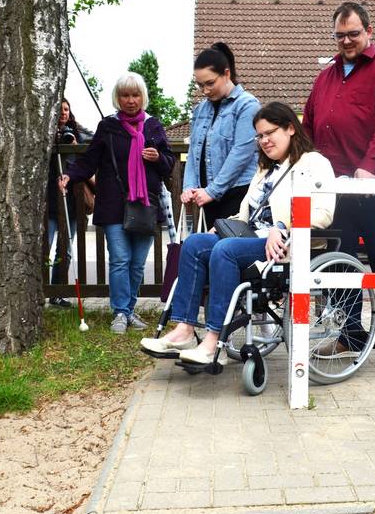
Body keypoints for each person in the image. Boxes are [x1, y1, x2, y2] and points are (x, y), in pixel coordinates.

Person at [141, 102, 336, 365]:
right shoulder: (265, 168)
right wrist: (221, 225)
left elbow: (323, 213)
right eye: (260, 135)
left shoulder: (315, 163)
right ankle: (184, 330)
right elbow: (246, 216)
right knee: (195, 243)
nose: (264, 140)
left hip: (285, 245)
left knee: (225, 250)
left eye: (270, 133)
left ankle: (212, 341)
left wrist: (283, 228)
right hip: (252, 238)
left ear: (291, 128)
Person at [302, 1, 375, 370]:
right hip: (333, 189)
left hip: (373, 185)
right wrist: (301, 167)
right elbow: (309, 125)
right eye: (340, 36)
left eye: (354, 34)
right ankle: (350, 335)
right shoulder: (325, 76)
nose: (347, 41)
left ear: (369, 31)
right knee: (341, 262)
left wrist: (370, 167)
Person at [59, 73, 175, 334]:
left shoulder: (153, 126)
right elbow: (90, 160)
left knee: (136, 262)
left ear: (142, 97)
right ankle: (120, 313)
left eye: (135, 95)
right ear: (117, 98)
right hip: (113, 203)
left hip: (145, 205)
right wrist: (70, 175)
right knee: (120, 259)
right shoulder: (108, 127)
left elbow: (169, 164)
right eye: (125, 95)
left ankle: (130, 310)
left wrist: (157, 157)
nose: (131, 100)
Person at [182, 42, 261, 228]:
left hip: (238, 195)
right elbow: (194, 151)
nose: (205, 91)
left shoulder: (247, 105)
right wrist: (189, 186)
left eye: (210, 83)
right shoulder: (200, 109)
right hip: (208, 197)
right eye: (200, 85)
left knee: (227, 251)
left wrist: (212, 190)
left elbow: (241, 153)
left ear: (226, 74)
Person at [47, 98, 92, 308]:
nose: (63, 113)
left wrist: (76, 146)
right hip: (48, 203)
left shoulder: (78, 134)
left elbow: (88, 160)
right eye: (59, 109)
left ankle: (57, 292)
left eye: (66, 109)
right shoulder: (44, 134)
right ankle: (39, 290)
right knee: (43, 247)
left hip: (72, 204)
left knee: (64, 249)